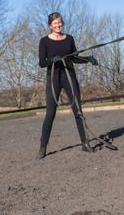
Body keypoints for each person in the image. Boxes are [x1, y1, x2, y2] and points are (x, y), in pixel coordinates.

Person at [37, 12, 98, 159]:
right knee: (50, 114)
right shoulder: (44, 41)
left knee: (78, 111)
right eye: (55, 23)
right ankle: (43, 147)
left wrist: (88, 59)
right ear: (50, 25)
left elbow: (74, 58)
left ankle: (85, 143)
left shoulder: (69, 38)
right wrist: (52, 59)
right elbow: (41, 63)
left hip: (69, 77)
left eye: (59, 22)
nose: (58, 25)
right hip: (54, 79)